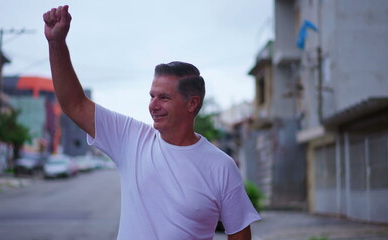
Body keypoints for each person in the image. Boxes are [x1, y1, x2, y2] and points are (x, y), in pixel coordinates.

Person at [43, 5, 261, 240]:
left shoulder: (221, 166)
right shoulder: (131, 138)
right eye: (152, 96)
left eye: (164, 97)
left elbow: (240, 235)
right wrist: (57, 44)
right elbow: (75, 104)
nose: (153, 105)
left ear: (191, 103)